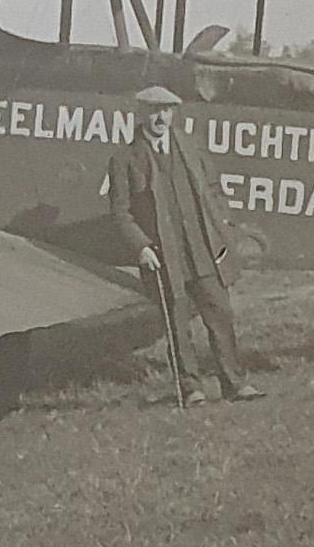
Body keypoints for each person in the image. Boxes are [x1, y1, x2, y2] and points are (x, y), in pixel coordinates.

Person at [107, 85, 264, 405]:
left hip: (202, 249)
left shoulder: (190, 146)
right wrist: (142, 247)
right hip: (164, 256)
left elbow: (214, 188)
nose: (161, 118)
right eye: (154, 111)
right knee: (178, 326)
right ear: (141, 113)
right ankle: (192, 389)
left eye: (166, 111)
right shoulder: (124, 158)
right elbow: (121, 213)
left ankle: (235, 383)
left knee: (220, 314)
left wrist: (222, 224)